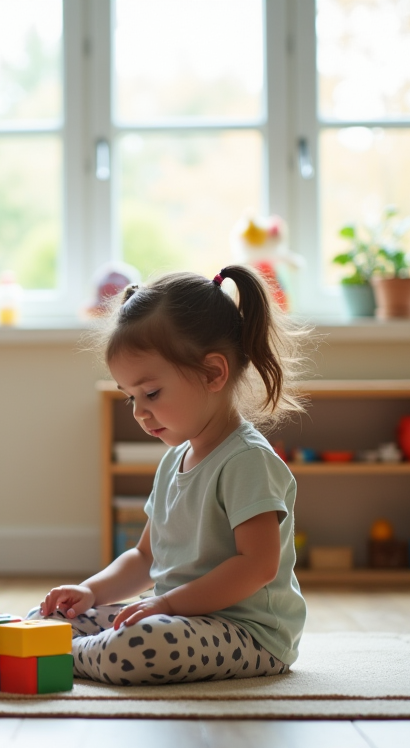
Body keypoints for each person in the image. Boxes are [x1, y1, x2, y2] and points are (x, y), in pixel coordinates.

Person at [36, 266, 308, 685]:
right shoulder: (174, 459)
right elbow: (145, 557)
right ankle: (57, 643)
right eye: (130, 397)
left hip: (247, 634)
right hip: (176, 616)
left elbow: (258, 567)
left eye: (152, 393)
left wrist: (168, 607)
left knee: (138, 644)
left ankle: (55, 654)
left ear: (213, 373)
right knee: (49, 616)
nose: (139, 412)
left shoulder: (247, 460)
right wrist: (90, 591)